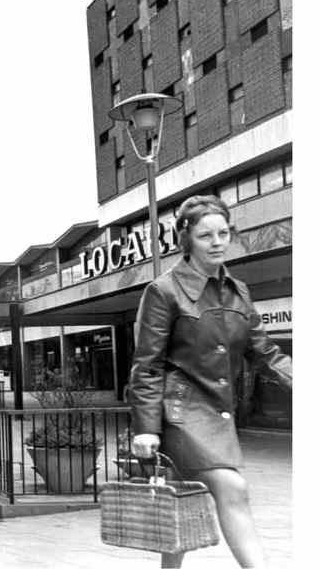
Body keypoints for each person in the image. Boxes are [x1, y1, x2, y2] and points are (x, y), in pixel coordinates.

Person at [128, 195, 292, 569]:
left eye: (223, 233)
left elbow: (265, 352)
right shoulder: (163, 291)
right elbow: (148, 365)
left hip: (218, 412)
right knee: (233, 488)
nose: (217, 242)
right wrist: (146, 428)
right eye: (205, 236)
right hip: (180, 413)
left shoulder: (239, 291)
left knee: (180, 503)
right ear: (187, 239)